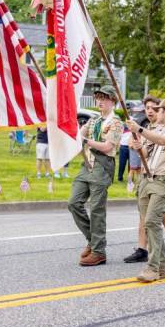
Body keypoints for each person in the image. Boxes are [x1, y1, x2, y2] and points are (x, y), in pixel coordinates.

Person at [127, 96, 165, 282]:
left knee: (152, 222)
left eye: (159, 109)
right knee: (149, 223)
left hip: (163, 180)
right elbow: (146, 153)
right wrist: (138, 146)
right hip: (147, 179)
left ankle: (152, 268)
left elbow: (164, 141)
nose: (156, 112)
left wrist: (139, 129)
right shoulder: (156, 129)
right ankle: (162, 268)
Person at [68, 85, 124, 266]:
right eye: (98, 98)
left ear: (112, 101)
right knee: (74, 203)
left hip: (102, 165)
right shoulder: (93, 120)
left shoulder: (116, 123)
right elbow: (77, 136)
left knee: (97, 209)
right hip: (88, 165)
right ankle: (93, 241)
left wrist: (86, 141)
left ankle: (99, 252)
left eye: (104, 98)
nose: (100, 102)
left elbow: (108, 146)